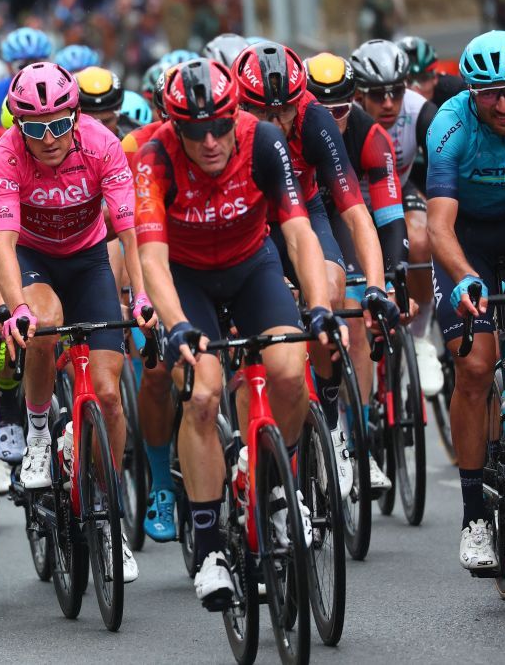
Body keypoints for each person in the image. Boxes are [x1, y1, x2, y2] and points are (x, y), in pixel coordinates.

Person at [134, 57, 340, 607]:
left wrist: (318, 307)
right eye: (194, 130)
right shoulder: (154, 158)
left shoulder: (264, 138)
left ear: (234, 116)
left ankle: (277, 484)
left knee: (289, 372)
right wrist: (175, 324)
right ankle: (207, 548)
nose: (210, 141)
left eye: (220, 126)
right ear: (174, 127)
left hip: (254, 268)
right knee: (202, 394)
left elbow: (298, 233)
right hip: (189, 277)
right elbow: (151, 258)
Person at [0, 62, 157, 582]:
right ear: (19, 127)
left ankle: (109, 519)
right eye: (35, 129)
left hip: (87, 262)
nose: (49, 138)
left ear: (75, 115)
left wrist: (143, 296)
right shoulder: (5, 155)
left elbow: (130, 234)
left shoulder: (102, 143)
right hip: (35, 259)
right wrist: (14, 306)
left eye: (59, 124)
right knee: (43, 319)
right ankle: (39, 430)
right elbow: (2, 243)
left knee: (107, 393)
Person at [233, 41, 398, 488]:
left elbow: (354, 211)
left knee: (331, 286)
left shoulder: (313, 118)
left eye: (284, 110)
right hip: (246, 226)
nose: (275, 124)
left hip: (303, 212)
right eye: (261, 113)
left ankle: (331, 423)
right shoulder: (222, 131)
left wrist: (378, 288)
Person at [425, 31, 505, 573]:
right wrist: (465, 278)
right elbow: (439, 227)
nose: (503, 105)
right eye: (489, 94)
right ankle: (474, 516)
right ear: (471, 93)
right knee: (475, 367)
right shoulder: (450, 128)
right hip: (467, 237)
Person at [306, 51, 409, 498]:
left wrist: (387, 281)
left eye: (341, 111)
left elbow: (387, 218)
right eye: (321, 110)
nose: (331, 119)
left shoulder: (369, 134)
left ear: (355, 105)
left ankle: (358, 438)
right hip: (300, 216)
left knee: (355, 322)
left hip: (341, 218)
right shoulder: (288, 131)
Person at [351, 39, 443, 398]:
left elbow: (444, 168)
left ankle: (420, 338)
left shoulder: (420, 111)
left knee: (421, 240)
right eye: (377, 94)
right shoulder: (346, 118)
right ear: (360, 94)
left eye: (395, 91)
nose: (388, 102)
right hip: (352, 202)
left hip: (398, 191)